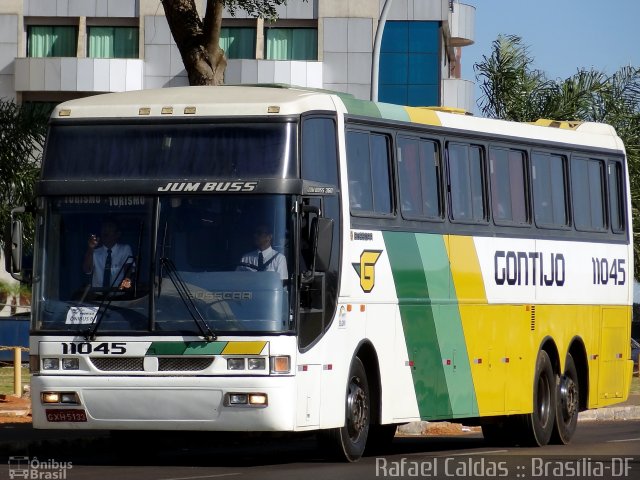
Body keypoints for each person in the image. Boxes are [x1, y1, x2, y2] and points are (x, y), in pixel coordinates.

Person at [83, 218, 134, 290]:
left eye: (109, 227)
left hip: (119, 296)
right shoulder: (95, 252)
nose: (105, 230)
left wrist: (123, 290)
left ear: (118, 234)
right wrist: (90, 248)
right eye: (103, 227)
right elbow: (87, 270)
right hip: (97, 296)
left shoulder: (124, 249)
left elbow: (129, 273)